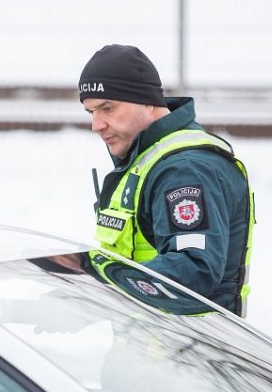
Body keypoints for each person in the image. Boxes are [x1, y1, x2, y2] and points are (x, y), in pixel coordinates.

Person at [79, 44, 254, 317]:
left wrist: (97, 291)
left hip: (188, 352)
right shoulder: (146, 161)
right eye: (91, 112)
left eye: (108, 108)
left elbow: (195, 267)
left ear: (147, 101)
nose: (96, 124)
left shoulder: (184, 170)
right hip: (150, 348)